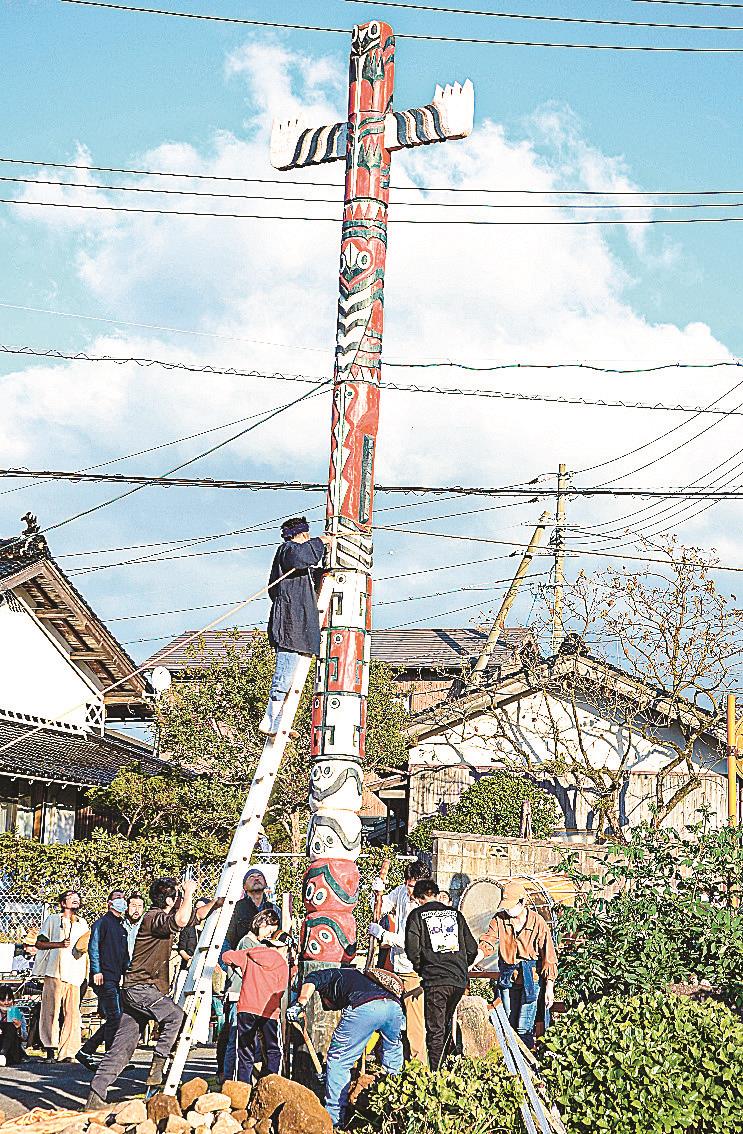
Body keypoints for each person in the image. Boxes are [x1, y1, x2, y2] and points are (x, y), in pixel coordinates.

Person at [86, 878, 221, 1107]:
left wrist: (215, 904)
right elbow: (181, 920)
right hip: (141, 988)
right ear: (169, 900)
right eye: (177, 897)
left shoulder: (159, 917)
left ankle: (95, 1096)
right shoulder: (153, 917)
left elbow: (192, 917)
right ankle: (157, 1069)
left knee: (122, 1047)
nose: (180, 900)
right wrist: (189, 892)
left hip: (135, 989)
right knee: (175, 1016)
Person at [288, 967, 404, 1130]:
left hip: (365, 1006)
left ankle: (335, 1120)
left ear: (325, 994)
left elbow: (311, 980)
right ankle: (397, 1111)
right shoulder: (357, 978)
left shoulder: (329, 975)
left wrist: (300, 1003)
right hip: (394, 1007)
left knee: (338, 1061)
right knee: (392, 1054)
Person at [259, 517, 332, 736]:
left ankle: (281, 719)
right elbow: (302, 558)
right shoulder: (288, 550)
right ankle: (270, 719)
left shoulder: (296, 561)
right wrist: (321, 542)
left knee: (294, 677)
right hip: (290, 621)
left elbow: (307, 571)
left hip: (300, 622)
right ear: (303, 534)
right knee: (285, 673)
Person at [405, 878, 478, 1070]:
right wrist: (461, 966)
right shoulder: (456, 915)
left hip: (435, 979)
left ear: (418, 898)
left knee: (435, 1029)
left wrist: (423, 968)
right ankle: (449, 1069)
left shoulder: (417, 915)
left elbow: (412, 950)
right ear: (437, 895)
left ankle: (436, 1076)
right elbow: (472, 948)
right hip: (458, 981)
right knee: (445, 1024)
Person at [477, 880, 558, 1050]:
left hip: (531, 979)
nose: (507, 909)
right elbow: (488, 943)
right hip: (508, 976)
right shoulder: (499, 920)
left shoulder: (538, 922)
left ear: (522, 902)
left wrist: (549, 987)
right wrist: (472, 960)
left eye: (511, 905)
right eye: (505, 906)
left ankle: (527, 1067)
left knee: (523, 1027)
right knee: (508, 1022)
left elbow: (549, 957)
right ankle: (509, 1066)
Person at [367, 859, 431, 1064]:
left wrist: (383, 935)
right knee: (391, 1016)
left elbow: (410, 941)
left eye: (415, 886)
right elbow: (379, 908)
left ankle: (419, 1067)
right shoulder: (402, 892)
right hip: (396, 966)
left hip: (414, 970)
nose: (411, 890)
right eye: (409, 885)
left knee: (415, 1023)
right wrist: (376, 891)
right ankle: (389, 1061)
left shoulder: (427, 906)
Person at [222, 909, 289, 1085]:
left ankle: (242, 1088)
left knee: (244, 1050)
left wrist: (242, 970)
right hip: (268, 1012)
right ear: (284, 947)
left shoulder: (250, 954)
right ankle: (270, 1084)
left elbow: (226, 957)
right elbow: (281, 990)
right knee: (274, 1050)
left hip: (246, 1007)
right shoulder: (282, 964)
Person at [33, 889, 89, 1062]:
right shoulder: (52, 920)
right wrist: (58, 944)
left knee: (72, 1013)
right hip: (54, 972)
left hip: (75, 974)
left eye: (77, 898)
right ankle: (50, 1048)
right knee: (50, 1011)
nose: (75, 900)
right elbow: (39, 943)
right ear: (63, 903)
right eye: (71, 898)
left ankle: (68, 1052)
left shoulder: (82, 923)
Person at [77, 890, 129, 1069]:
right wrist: (96, 971)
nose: (121, 902)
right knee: (115, 1017)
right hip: (103, 977)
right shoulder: (102, 923)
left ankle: (87, 1052)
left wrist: (127, 973)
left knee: (116, 1018)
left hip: (115, 977)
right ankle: (109, 1059)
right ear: (109, 903)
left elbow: (124, 955)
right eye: (117, 899)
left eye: (123, 899)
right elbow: (94, 947)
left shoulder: (122, 928)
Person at [225, 870, 278, 950]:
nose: (256, 879)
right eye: (251, 877)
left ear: (265, 884)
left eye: (260, 876)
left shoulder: (274, 909)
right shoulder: (236, 908)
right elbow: (227, 939)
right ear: (244, 887)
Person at [0, 984, 27, 1066]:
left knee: (10, 1026)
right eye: (2, 1000)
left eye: (9, 999)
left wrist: (18, 1028)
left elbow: (25, 1037)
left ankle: (2, 1054)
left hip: (13, 1048)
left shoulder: (18, 1014)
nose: (6, 1003)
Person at [124, 893, 145, 959]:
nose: (137, 910)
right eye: (133, 906)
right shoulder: (119, 925)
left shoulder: (146, 926)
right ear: (127, 908)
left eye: (139, 906)